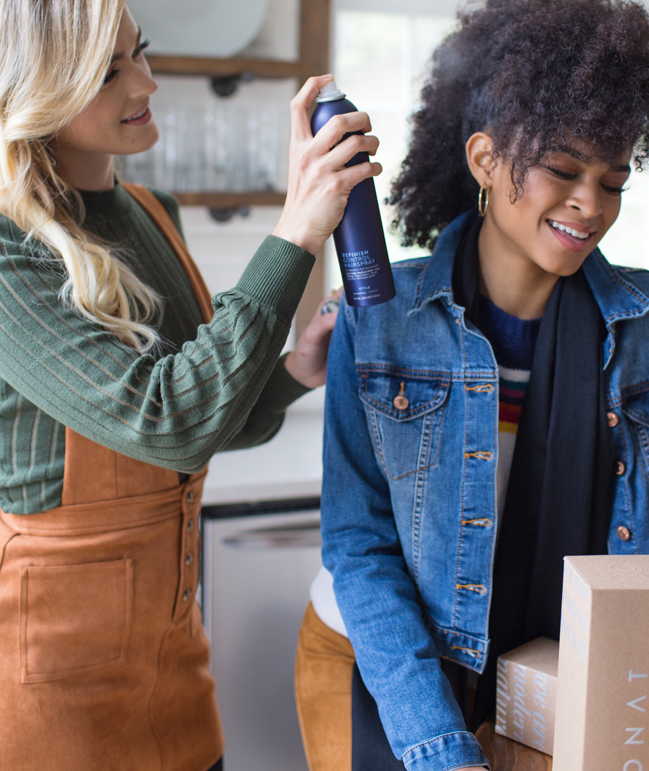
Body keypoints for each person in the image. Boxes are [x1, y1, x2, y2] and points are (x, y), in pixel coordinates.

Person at [0, 1, 382, 769]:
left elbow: (212, 419)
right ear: (38, 89)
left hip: (174, 659)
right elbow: (166, 420)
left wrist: (292, 372)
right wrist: (296, 229)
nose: (146, 80)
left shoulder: (151, 214)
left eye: (140, 52)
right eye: (108, 71)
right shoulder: (12, 253)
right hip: (51, 685)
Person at [294, 0, 649, 769]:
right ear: (485, 158)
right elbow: (361, 545)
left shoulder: (642, 331)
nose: (590, 204)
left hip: (564, 677)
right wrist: (438, 744)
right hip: (385, 666)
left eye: (612, 181)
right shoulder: (380, 320)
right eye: (561, 169)